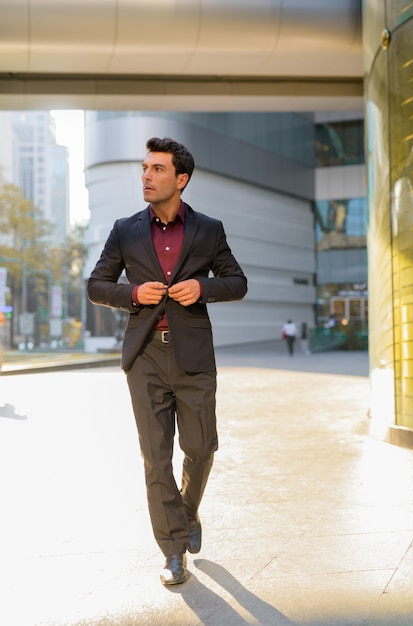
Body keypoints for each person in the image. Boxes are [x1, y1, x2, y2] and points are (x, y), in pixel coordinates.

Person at [87, 137, 247, 587]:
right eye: (144, 168)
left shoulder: (209, 229)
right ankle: (172, 550)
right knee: (155, 459)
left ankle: (188, 509)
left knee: (200, 447)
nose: (145, 175)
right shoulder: (126, 230)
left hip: (194, 353)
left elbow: (237, 281)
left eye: (156, 169)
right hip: (146, 356)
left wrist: (203, 288)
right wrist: (133, 294)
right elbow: (97, 285)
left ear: (181, 179)